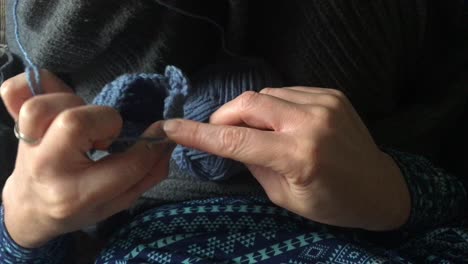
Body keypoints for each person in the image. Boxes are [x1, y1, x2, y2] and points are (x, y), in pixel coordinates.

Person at [0, 0, 468, 263]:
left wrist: (26, 223)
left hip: (127, 186)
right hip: (347, 168)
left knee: (71, 21)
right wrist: (391, 195)